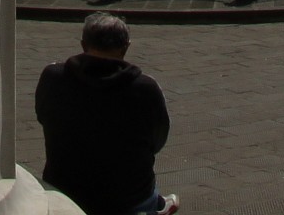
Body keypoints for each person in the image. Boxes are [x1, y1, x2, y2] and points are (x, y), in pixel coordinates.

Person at [34, 12, 177, 215]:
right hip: (128, 198)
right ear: (126, 47)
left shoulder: (52, 77)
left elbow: (42, 116)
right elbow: (157, 140)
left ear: (83, 45)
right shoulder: (145, 87)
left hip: (64, 191)